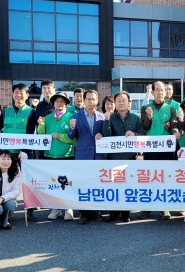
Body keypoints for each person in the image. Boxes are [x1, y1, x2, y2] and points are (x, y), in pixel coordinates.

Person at [0, 83, 38, 220]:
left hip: (24, 153)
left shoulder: (31, 112)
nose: (18, 95)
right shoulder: (5, 112)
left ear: (27, 95)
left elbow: (30, 133)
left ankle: (30, 209)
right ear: (12, 95)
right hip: (6, 153)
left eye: (21, 93)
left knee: (28, 181)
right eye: (16, 93)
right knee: (4, 180)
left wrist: (24, 150)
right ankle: (3, 208)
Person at [102, 91, 146, 222]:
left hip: (129, 158)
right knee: (113, 186)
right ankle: (113, 213)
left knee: (127, 186)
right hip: (113, 158)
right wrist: (106, 121)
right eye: (119, 101)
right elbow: (105, 136)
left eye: (124, 100)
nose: (121, 103)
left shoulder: (136, 118)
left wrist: (134, 134)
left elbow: (143, 135)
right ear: (115, 103)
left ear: (129, 103)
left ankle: (126, 213)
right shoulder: (110, 118)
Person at [138, 81, 179, 220]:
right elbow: (144, 127)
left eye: (162, 90)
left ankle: (164, 207)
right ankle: (147, 208)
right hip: (150, 148)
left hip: (166, 149)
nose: (160, 92)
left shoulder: (171, 109)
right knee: (149, 178)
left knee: (165, 177)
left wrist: (175, 132)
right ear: (152, 92)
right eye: (157, 90)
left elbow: (173, 126)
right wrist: (149, 118)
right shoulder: (145, 108)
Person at [67, 89, 106, 224]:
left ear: (97, 101)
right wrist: (72, 127)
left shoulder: (101, 117)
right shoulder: (75, 117)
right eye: (88, 99)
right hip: (83, 155)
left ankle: (95, 211)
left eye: (93, 99)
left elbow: (105, 133)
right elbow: (70, 136)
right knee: (83, 184)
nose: (91, 102)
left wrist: (102, 135)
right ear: (84, 100)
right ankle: (83, 213)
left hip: (97, 155)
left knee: (96, 184)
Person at [37, 91, 76, 221]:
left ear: (66, 104)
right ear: (53, 104)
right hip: (49, 155)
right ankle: (55, 208)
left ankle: (68, 208)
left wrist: (60, 136)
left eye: (62, 101)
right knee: (52, 183)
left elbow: (74, 139)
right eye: (57, 101)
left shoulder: (71, 117)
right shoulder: (47, 118)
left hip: (66, 155)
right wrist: (41, 125)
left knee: (67, 183)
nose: (59, 103)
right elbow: (41, 137)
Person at [34, 80, 56, 160]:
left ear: (54, 89)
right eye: (44, 88)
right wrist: (33, 107)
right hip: (41, 140)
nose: (46, 90)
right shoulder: (38, 105)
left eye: (49, 88)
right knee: (40, 162)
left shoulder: (59, 104)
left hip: (56, 139)